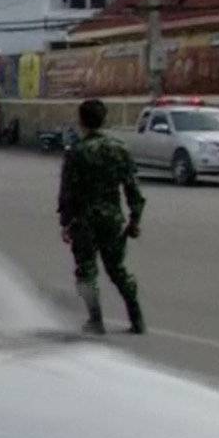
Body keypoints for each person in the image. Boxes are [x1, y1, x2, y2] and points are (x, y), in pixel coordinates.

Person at [56, 97, 145, 335]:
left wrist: (65, 222)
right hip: (112, 219)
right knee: (117, 269)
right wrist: (135, 219)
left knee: (86, 271)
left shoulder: (76, 152)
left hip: (84, 221)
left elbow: (67, 193)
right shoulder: (120, 148)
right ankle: (137, 319)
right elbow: (133, 188)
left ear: (81, 121)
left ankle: (95, 320)